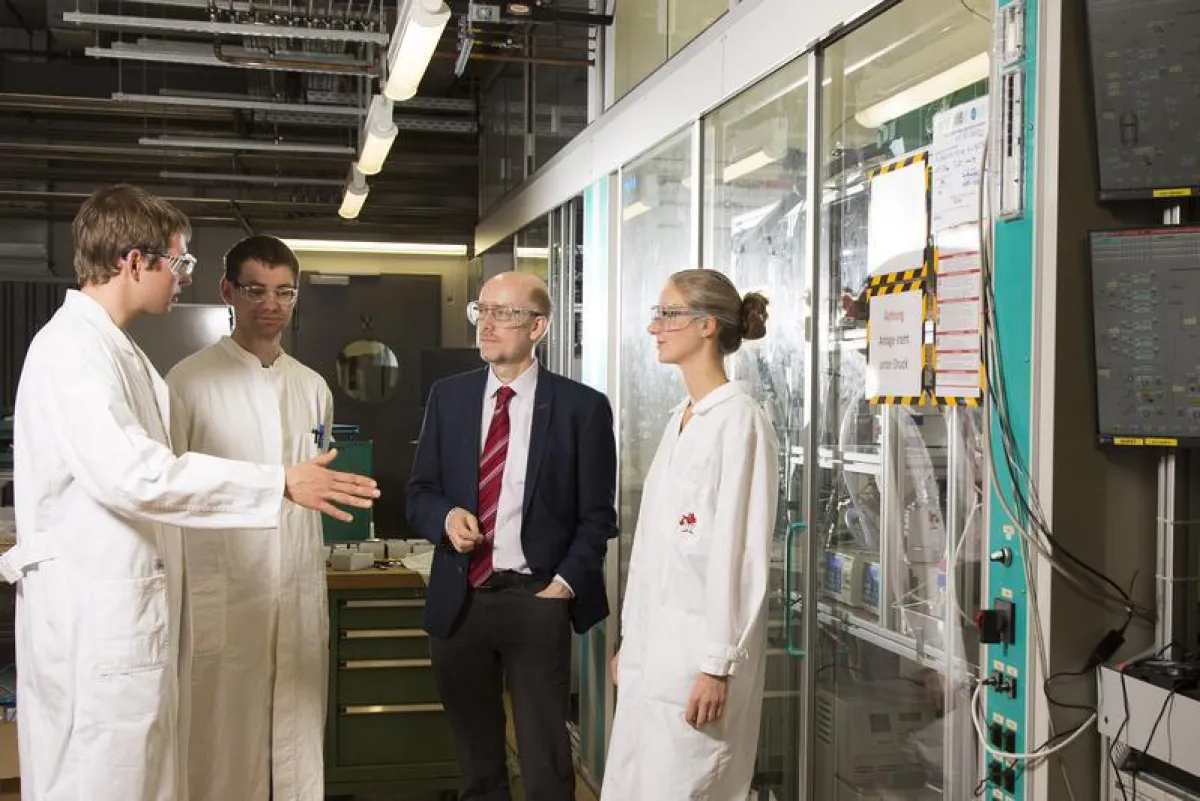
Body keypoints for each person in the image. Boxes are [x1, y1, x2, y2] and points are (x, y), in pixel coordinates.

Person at [0, 184, 379, 801]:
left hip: (132, 616)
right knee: (108, 776)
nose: (183, 276)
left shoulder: (114, 350)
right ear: (134, 261)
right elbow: (137, 475)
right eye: (179, 261)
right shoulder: (74, 351)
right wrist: (279, 481)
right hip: (98, 623)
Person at [406, 271, 618, 801]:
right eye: (482, 311)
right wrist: (446, 517)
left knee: (546, 764)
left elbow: (598, 516)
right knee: (478, 766)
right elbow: (420, 492)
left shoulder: (582, 407)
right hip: (461, 598)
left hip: (536, 597)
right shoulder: (449, 397)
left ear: (538, 327)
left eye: (504, 313)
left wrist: (564, 585)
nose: (487, 324)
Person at [601, 268, 779, 801]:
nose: (654, 327)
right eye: (656, 314)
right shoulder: (683, 416)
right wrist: (633, 643)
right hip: (652, 660)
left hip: (697, 665)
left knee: (686, 786)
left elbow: (742, 558)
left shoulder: (740, 422)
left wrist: (717, 666)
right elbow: (654, 552)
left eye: (668, 314)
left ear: (707, 325)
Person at [166, 235, 330, 801]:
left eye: (284, 292)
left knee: (296, 741)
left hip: (296, 590)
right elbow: (169, 493)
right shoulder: (187, 382)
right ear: (227, 291)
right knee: (221, 748)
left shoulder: (312, 387)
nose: (271, 304)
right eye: (256, 290)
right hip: (224, 594)